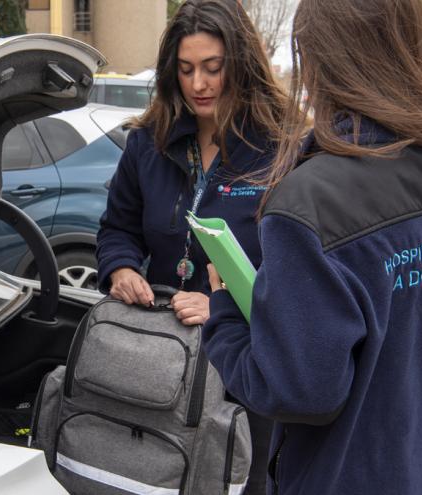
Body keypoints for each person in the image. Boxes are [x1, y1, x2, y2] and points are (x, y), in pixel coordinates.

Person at [203, 0, 422, 494]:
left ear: (315, 59)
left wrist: (224, 311)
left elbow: (301, 391)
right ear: (411, 48)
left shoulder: (308, 202)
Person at [95, 1, 289, 492]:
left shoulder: (282, 149)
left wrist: (222, 304)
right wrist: (120, 269)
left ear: (241, 66)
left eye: (212, 68)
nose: (198, 84)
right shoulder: (148, 144)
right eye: (185, 70)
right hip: (162, 360)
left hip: (241, 369)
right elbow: (117, 228)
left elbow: (300, 268)